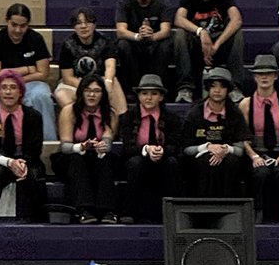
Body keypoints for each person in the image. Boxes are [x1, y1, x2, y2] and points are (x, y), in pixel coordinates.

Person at [0, 70, 47, 223]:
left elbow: (35, 148)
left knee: (34, 177)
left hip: (27, 158)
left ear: (21, 92)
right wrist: (8, 162)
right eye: (4, 87)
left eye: (13, 87)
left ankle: (41, 224)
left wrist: (21, 163)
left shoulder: (34, 116)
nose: (8, 92)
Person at [53, 73, 123, 224]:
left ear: (102, 94)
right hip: (71, 156)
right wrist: (80, 147)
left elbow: (108, 139)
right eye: (87, 90)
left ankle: (107, 210)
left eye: (97, 91)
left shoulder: (110, 113)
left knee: (106, 161)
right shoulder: (69, 111)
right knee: (77, 160)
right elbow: (65, 146)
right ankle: (84, 210)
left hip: (96, 157)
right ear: (81, 92)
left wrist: (103, 146)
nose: (92, 94)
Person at [0, 4, 58, 140]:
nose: (18, 30)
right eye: (14, 25)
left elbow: (43, 73)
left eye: (23, 26)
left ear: (28, 24)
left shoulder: (36, 39)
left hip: (31, 83)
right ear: (7, 21)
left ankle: (47, 143)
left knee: (42, 95)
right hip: (2, 83)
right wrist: (27, 69)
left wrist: (10, 74)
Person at [117, 73, 182, 223]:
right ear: (138, 96)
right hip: (137, 159)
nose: (148, 97)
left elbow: (176, 145)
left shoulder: (172, 118)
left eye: (154, 94)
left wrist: (163, 151)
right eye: (144, 93)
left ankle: (173, 212)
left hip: (163, 159)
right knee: (135, 163)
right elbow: (127, 147)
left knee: (172, 163)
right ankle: (129, 212)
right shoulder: (128, 117)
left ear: (161, 97)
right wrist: (146, 150)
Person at [240, 56, 279, 224]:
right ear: (255, 77)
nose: (264, 77)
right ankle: (257, 210)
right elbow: (243, 137)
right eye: (260, 74)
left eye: (268, 73)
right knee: (260, 172)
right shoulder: (245, 103)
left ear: (275, 76)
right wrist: (254, 156)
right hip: (256, 151)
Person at [181, 66, 249, 198]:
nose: (217, 91)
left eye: (222, 87)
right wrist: (207, 147)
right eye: (213, 86)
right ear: (208, 88)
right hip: (199, 156)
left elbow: (240, 149)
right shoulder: (194, 113)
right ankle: (202, 207)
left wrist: (226, 149)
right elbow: (185, 148)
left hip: (229, 156)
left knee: (231, 162)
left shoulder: (235, 114)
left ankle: (229, 208)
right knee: (205, 161)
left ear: (228, 90)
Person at [173, 0, 245, 104]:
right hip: (196, 46)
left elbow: (237, 20)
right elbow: (178, 19)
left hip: (219, 46)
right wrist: (201, 32)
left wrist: (217, 44)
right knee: (179, 34)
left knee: (237, 34)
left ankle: (234, 88)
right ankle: (185, 88)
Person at [55, 8, 121, 115]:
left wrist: (106, 83)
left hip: (101, 82)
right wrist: (89, 88)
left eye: (88, 22)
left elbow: (110, 66)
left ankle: (121, 122)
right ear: (74, 27)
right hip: (75, 84)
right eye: (78, 23)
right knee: (61, 95)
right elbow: (67, 78)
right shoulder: (67, 45)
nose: (83, 26)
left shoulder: (105, 41)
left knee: (114, 82)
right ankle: (83, 123)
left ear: (95, 25)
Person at [114, 0, 174, 97]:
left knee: (166, 44)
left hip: (154, 44)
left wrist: (152, 37)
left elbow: (166, 31)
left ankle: (156, 87)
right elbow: (120, 31)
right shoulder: (124, 1)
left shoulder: (163, 2)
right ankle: (133, 89)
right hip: (133, 43)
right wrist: (138, 36)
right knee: (123, 44)